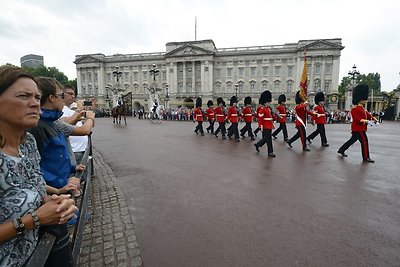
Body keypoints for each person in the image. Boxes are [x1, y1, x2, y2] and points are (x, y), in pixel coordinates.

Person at [0, 66, 77, 266]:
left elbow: (35, 186)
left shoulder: (28, 143)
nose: (35, 104)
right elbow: (34, 217)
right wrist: (34, 220)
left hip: (38, 254)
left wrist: (54, 200)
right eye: (24, 96)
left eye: (37, 97)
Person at [337, 84, 377, 163]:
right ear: (360, 99)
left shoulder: (362, 108)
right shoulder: (354, 109)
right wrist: (367, 121)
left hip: (360, 128)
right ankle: (366, 157)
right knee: (364, 142)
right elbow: (357, 119)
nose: (366, 99)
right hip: (358, 129)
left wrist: (374, 119)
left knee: (352, 140)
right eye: (364, 98)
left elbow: (368, 115)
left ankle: (341, 150)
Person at [254, 90, 275, 157]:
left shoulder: (268, 109)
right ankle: (270, 152)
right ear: (265, 103)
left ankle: (258, 144)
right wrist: (261, 126)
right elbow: (260, 119)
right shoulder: (262, 109)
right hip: (266, 125)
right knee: (269, 140)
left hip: (270, 125)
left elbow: (270, 116)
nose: (269, 103)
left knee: (267, 138)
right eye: (268, 102)